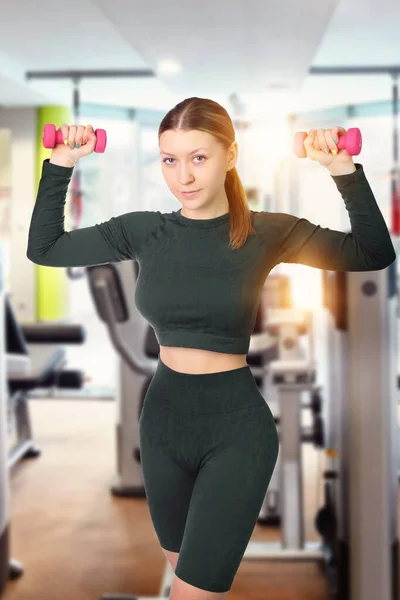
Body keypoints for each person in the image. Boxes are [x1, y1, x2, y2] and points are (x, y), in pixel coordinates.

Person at [26, 97, 396, 600]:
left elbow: (373, 251)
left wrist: (343, 170)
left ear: (231, 155)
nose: (184, 176)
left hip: (235, 428)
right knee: (181, 575)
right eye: (170, 159)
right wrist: (62, 164)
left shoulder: (266, 232)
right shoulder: (144, 230)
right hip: (162, 422)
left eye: (198, 157)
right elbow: (44, 249)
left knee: (191, 595)